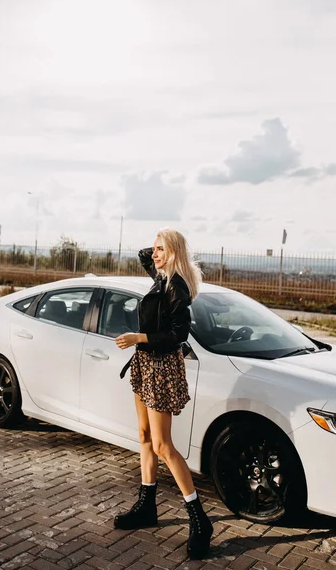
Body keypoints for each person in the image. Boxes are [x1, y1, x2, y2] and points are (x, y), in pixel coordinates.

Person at [114, 228, 213, 560]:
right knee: (143, 436)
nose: (153, 254)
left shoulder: (177, 286)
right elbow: (144, 255)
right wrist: (162, 245)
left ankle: (199, 519)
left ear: (173, 253)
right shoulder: (161, 275)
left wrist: (138, 337)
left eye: (161, 250)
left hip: (160, 366)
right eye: (154, 249)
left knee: (162, 445)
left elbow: (177, 335)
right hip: (145, 364)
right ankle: (147, 505)